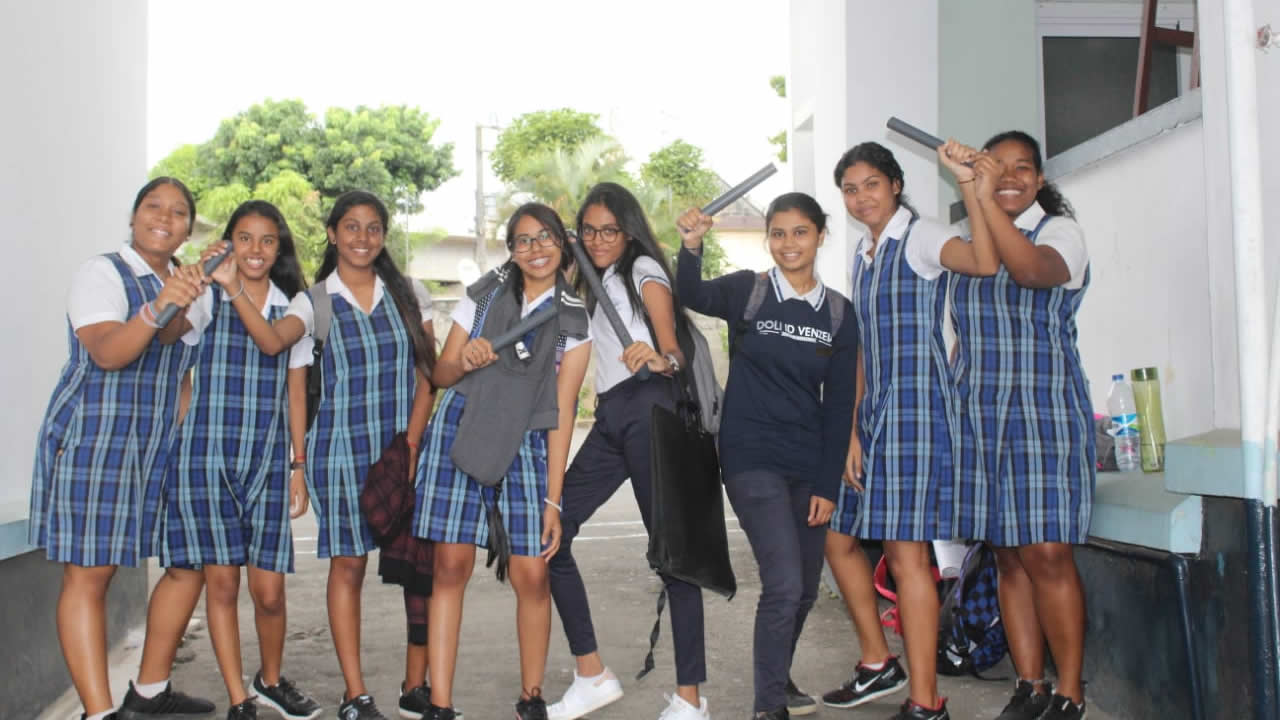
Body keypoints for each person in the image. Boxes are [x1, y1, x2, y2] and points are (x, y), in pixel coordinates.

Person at [29, 177, 215, 720]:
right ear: (134, 217)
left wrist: (179, 297)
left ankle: (150, 692)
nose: (165, 217)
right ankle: (98, 712)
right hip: (96, 438)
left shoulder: (186, 285)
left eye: (178, 212)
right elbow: (110, 353)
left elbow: (176, 359)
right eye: (154, 207)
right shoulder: (102, 273)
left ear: (187, 229)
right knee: (92, 573)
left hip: (157, 444)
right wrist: (162, 303)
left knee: (189, 559)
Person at [824, 140, 998, 720]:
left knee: (906, 556)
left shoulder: (919, 238)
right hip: (873, 414)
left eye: (871, 184)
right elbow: (860, 349)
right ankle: (879, 662)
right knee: (837, 537)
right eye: (850, 190)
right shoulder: (864, 251)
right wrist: (851, 428)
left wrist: (967, 183)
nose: (861, 198)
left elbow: (983, 262)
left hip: (917, 412)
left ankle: (927, 703)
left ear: (895, 185)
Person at [676, 192, 855, 720]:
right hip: (750, 456)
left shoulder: (839, 313)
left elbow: (839, 405)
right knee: (784, 583)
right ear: (768, 239)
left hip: (808, 461)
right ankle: (768, 705)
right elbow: (690, 292)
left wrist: (827, 485)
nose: (788, 243)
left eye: (800, 232)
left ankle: (778, 676)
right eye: (778, 233)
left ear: (821, 236)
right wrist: (691, 247)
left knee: (803, 590)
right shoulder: (747, 291)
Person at [263, 190, 436, 720]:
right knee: (349, 565)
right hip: (339, 453)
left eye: (373, 227)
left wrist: (412, 443)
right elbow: (293, 383)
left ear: (383, 236)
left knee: (419, 566)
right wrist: (298, 465)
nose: (363, 237)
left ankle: (415, 686)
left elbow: (428, 374)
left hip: (405, 449)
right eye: (352, 227)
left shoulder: (409, 294)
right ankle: (355, 694)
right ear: (333, 234)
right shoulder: (313, 303)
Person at [414, 203, 591, 720]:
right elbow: (441, 375)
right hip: (462, 427)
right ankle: (440, 704)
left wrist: (553, 501)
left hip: (528, 442)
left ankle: (531, 698)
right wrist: (464, 358)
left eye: (546, 237)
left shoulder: (573, 319)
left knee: (531, 574)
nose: (536, 249)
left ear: (563, 244)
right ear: (511, 250)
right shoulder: (484, 295)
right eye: (524, 240)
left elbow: (562, 412)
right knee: (451, 566)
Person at [546, 183, 709, 720]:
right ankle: (592, 674)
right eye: (589, 231)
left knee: (673, 557)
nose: (597, 240)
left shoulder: (643, 270)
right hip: (613, 418)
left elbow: (674, 349)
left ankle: (691, 700)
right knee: (549, 534)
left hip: (649, 410)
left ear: (629, 231)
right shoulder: (595, 280)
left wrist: (661, 359)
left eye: (609, 231)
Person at [952, 131, 1094, 720]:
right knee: (1008, 555)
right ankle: (1029, 684)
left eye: (1023, 168)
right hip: (980, 415)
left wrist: (984, 197)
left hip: (1046, 413)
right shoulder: (968, 245)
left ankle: (1070, 692)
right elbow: (959, 336)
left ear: (1040, 179)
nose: (1010, 177)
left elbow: (1032, 271)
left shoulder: (1061, 233)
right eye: (998, 166)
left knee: (1048, 553)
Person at [161, 200, 320, 720]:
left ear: (279, 249)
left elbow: (288, 376)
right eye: (244, 238)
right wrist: (192, 280)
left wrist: (298, 466)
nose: (256, 249)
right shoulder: (209, 298)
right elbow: (166, 337)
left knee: (269, 591)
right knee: (223, 583)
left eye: (267, 240)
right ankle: (239, 697)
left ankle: (269, 679)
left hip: (266, 461)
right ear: (229, 243)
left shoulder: (296, 306)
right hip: (206, 457)